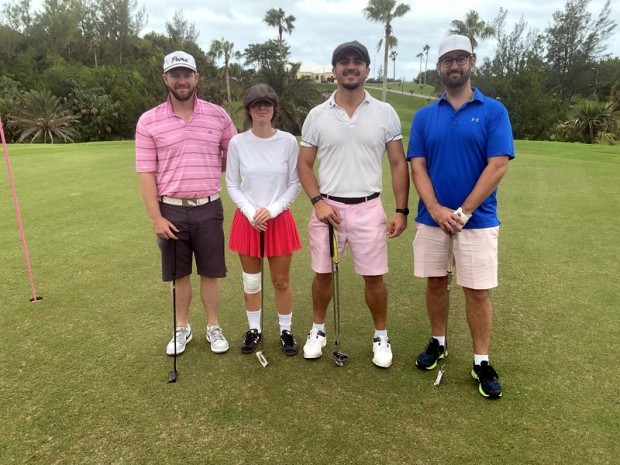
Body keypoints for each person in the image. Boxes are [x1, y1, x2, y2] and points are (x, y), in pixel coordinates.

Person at [407, 35, 515, 398]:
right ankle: (438, 342)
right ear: (438, 67)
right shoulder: (424, 116)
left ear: (472, 62)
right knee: (435, 283)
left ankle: (481, 360)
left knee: (477, 291)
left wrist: (463, 211)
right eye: (447, 60)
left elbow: (497, 165)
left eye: (461, 59)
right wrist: (437, 210)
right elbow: (417, 168)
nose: (454, 66)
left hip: (478, 219)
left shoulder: (493, 110)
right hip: (431, 218)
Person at [298, 41, 410, 368]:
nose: (350, 66)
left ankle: (380, 336)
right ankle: (318, 331)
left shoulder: (384, 113)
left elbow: (398, 164)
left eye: (357, 61)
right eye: (343, 62)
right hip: (328, 209)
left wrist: (401, 210)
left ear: (367, 69)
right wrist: (317, 201)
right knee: (322, 274)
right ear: (334, 70)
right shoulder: (317, 116)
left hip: (368, 207)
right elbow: (304, 165)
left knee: (374, 277)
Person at [135, 51, 237, 356]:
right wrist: (155, 217)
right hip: (171, 208)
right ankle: (181, 327)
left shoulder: (218, 115)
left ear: (197, 78)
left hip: (208, 206)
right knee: (179, 274)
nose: (182, 80)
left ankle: (213, 326)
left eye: (187, 74)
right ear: (166, 78)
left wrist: (204, 167)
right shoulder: (149, 120)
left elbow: (233, 156)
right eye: (175, 75)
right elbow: (146, 172)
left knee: (210, 272)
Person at [226, 84, 302, 356]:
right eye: (256, 103)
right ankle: (254, 329)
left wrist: (271, 210)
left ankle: (285, 331)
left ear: (274, 109)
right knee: (251, 282)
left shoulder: (288, 142)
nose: (262, 108)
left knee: (281, 281)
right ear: (248, 109)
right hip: (248, 220)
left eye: (267, 103)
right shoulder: (237, 142)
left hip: (277, 219)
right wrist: (251, 212)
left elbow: (295, 184)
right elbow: (232, 184)